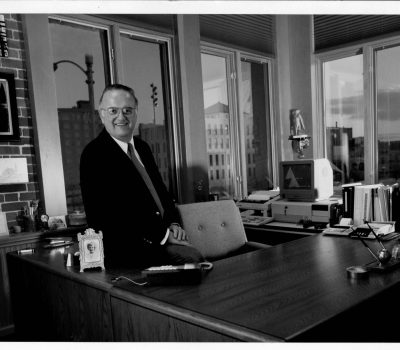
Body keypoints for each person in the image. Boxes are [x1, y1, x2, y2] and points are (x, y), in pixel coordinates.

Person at [80, 84, 204, 268]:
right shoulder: (94, 155)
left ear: (136, 113)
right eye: (113, 110)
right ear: (102, 114)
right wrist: (164, 235)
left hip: (160, 237)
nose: (121, 117)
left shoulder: (142, 147)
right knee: (193, 258)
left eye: (127, 110)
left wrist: (173, 224)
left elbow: (161, 193)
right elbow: (116, 212)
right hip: (130, 248)